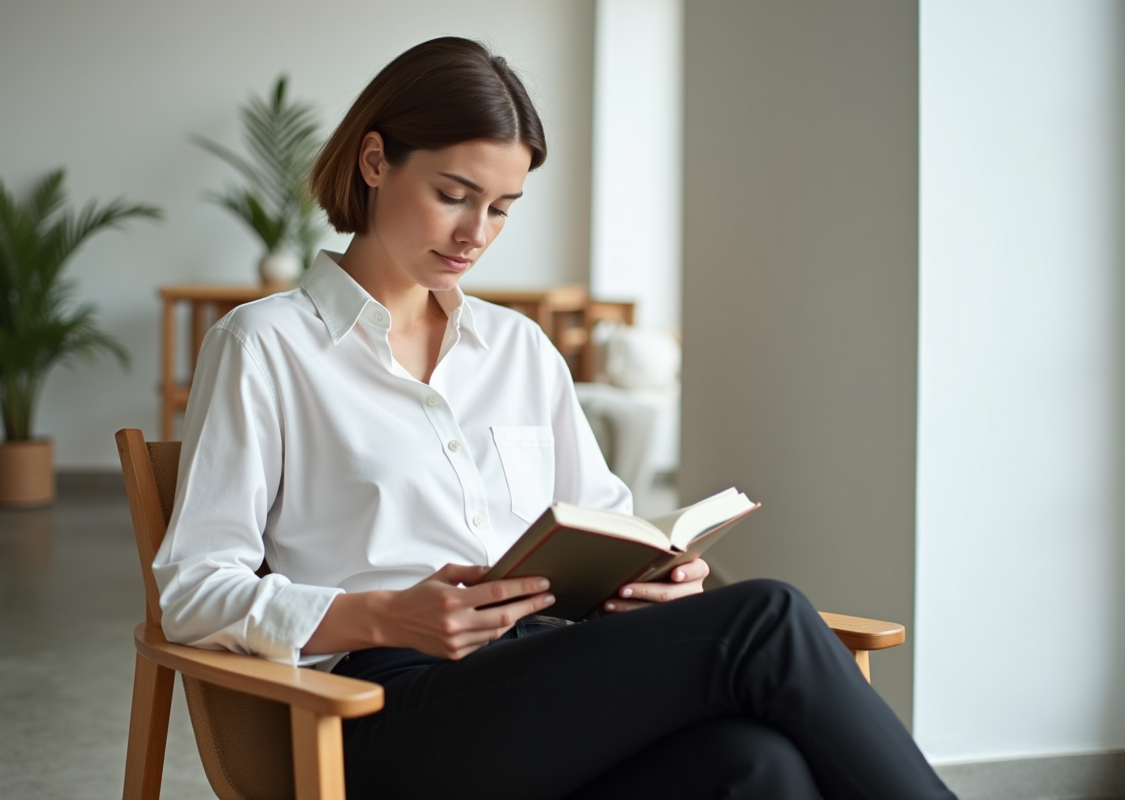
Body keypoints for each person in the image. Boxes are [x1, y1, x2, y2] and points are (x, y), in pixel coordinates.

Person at [154, 36, 956, 800]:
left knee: (756, 764)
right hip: (383, 712)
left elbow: (604, 521)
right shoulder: (265, 346)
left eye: (501, 208)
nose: (475, 234)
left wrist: (654, 581)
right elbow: (191, 591)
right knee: (764, 617)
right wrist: (385, 613)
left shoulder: (518, 349)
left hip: (545, 680)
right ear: (374, 161)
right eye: (452, 195)